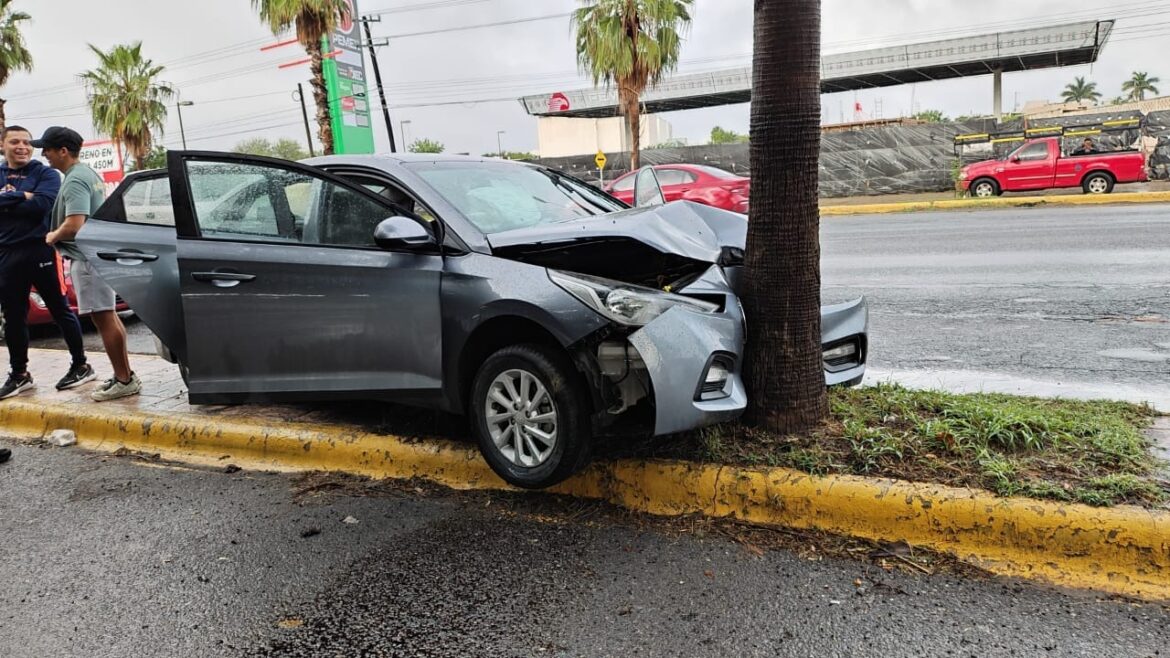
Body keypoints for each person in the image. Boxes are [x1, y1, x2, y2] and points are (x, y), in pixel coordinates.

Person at [38, 126, 141, 401]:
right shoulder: (87, 173)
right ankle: (125, 375)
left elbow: (74, 224)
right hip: (95, 256)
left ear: (62, 151)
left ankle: (123, 379)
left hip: (86, 259)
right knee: (108, 315)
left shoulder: (74, 181)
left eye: (47, 149)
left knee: (103, 317)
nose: (43, 154)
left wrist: (53, 235)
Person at [0, 125, 93, 399]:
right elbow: (30, 203)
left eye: (27, 142)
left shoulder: (46, 173)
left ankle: (80, 364)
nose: (23, 147)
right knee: (14, 316)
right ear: (3, 145)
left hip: (41, 250)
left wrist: (8, 199)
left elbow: (43, 205)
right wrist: (23, 196)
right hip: (6, 254)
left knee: (60, 309)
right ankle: (20, 374)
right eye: (15, 141)